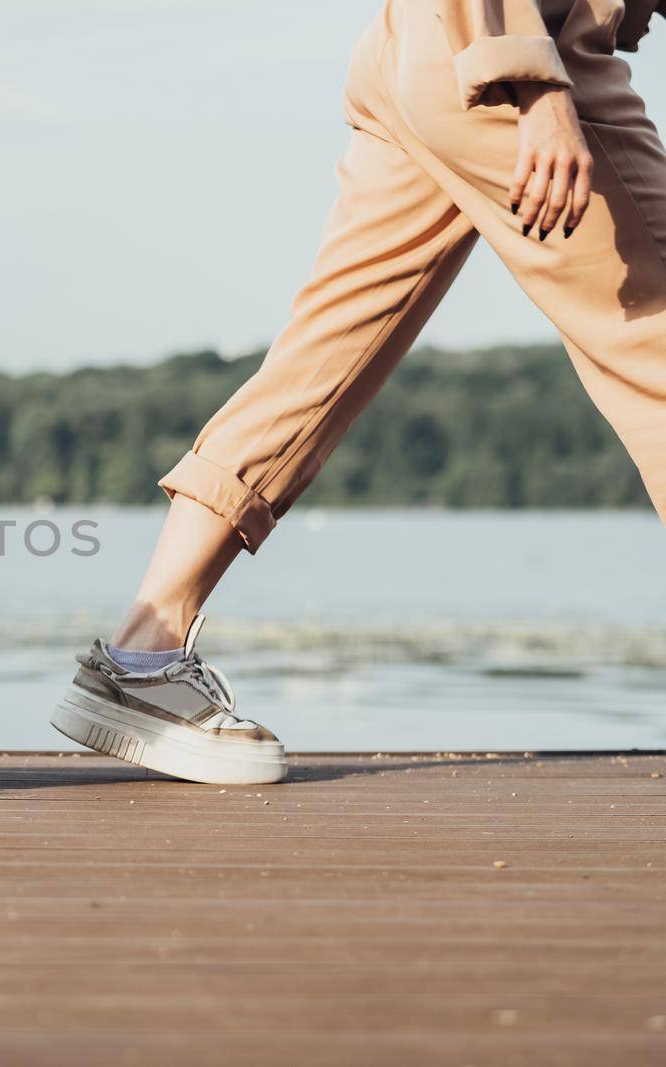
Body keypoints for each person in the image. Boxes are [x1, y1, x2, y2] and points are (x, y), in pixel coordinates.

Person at [51, 0, 666, 785]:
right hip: (518, 49)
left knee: (322, 359)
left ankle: (142, 657)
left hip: (424, 42)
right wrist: (538, 87)